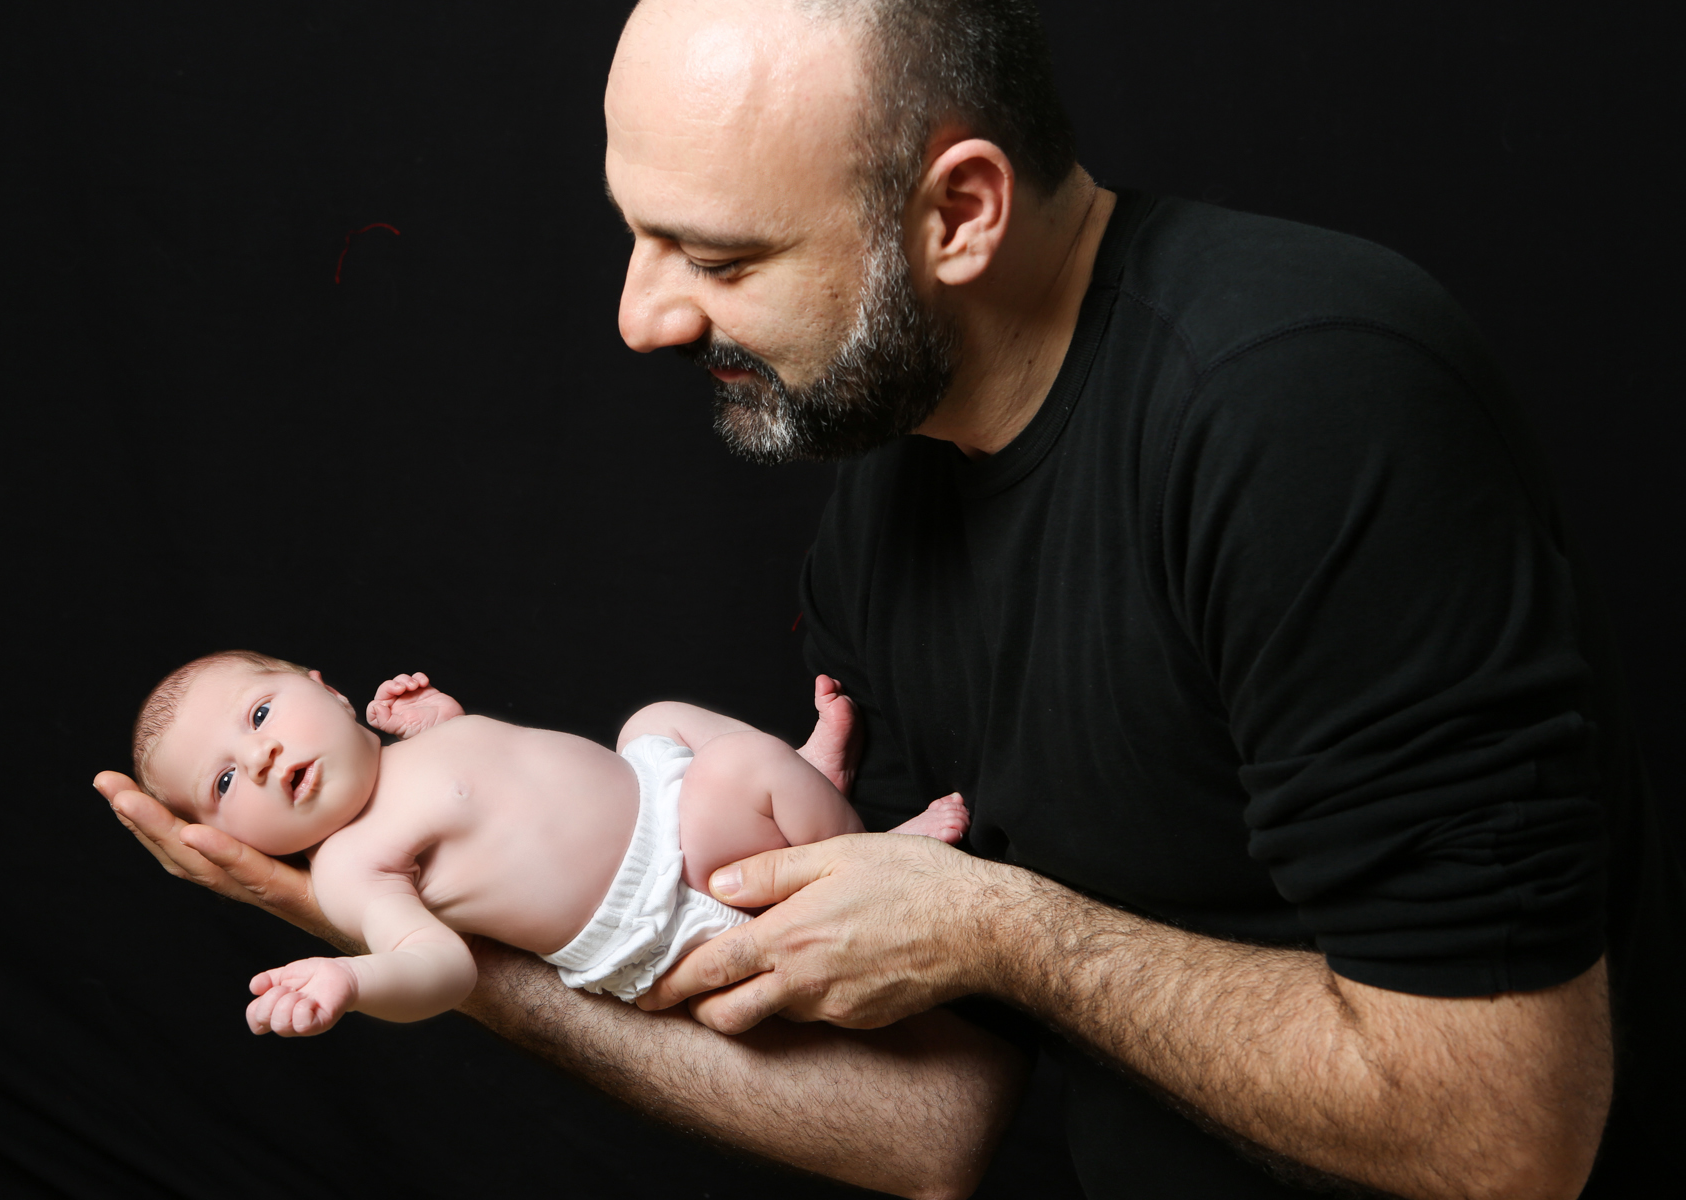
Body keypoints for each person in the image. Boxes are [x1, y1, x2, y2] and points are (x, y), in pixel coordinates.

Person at [97, 1, 1682, 1196]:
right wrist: (427, 930)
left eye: (717, 256)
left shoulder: (1300, 403)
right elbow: (932, 1124)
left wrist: (1006, 931)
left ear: (961, 212)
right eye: (636, 235)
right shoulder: (884, 513)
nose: (644, 318)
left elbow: (1508, 1134)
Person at [126, 650, 966, 1033]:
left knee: (656, 720)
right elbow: (438, 968)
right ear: (227, 838)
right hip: (668, 901)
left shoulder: (408, 752)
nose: (261, 757)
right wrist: (352, 979)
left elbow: (501, 790)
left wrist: (443, 722)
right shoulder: (350, 865)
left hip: (656, 801)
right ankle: (871, 858)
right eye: (224, 782)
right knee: (732, 773)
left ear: (328, 692)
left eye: (260, 714)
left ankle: (807, 790)